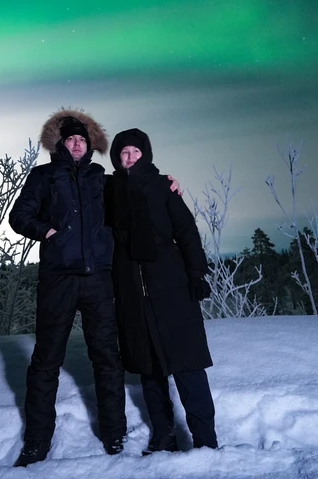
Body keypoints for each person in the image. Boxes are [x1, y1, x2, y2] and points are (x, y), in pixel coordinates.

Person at [8, 109, 126, 467]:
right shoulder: (43, 176)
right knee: (46, 361)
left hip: (97, 279)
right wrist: (48, 231)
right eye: (71, 139)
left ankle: (114, 432)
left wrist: (168, 181)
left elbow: (137, 196)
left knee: (107, 357)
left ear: (89, 146)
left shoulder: (102, 179)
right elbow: (19, 216)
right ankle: (37, 441)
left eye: (82, 140)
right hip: (58, 279)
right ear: (61, 144)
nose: (77, 144)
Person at [106, 128, 218, 455]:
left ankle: (205, 440)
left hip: (171, 287)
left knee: (188, 365)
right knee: (149, 369)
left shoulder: (163, 187)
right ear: (117, 157)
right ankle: (163, 437)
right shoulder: (110, 191)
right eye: (124, 153)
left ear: (146, 154)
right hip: (132, 292)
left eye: (135, 152)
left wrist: (196, 273)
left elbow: (186, 232)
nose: (130, 158)